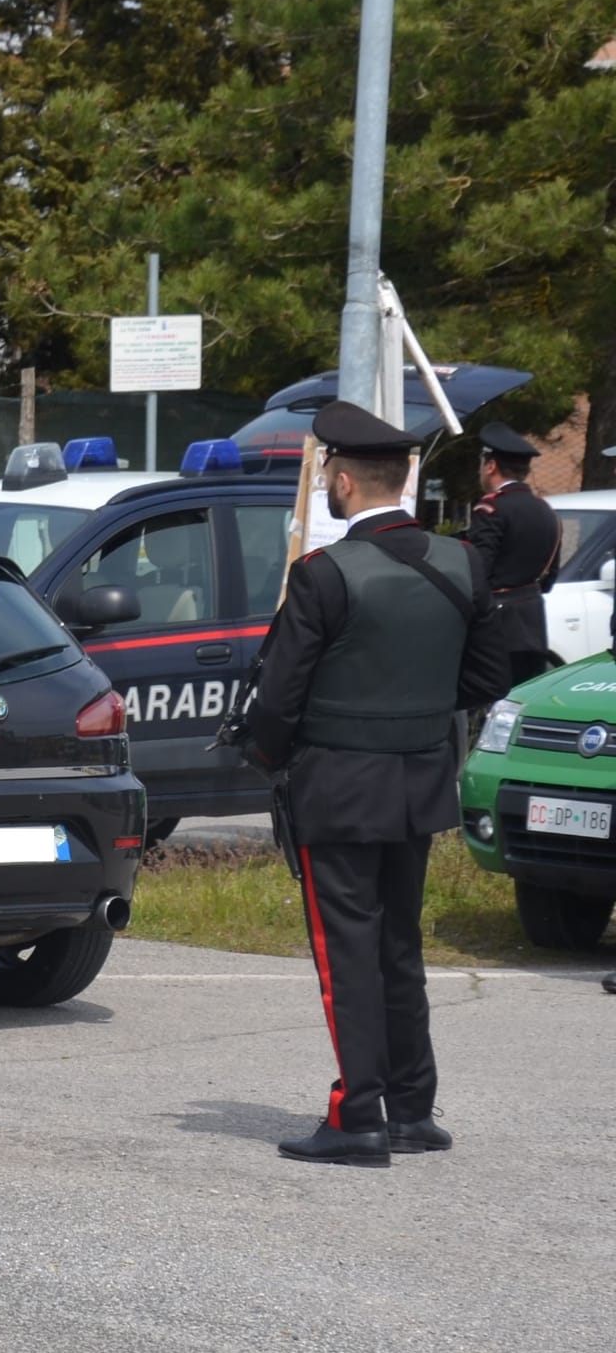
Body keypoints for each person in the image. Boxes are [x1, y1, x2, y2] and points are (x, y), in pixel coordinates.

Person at [241, 400, 509, 1168]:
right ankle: (412, 1109)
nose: (327, 481)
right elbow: (488, 677)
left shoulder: (324, 576)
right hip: (420, 781)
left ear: (347, 480)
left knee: (347, 953)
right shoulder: (463, 563)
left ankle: (357, 1114)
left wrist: (268, 758)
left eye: (329, 471)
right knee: (398, 946)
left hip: (336, 786)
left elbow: (278, 704)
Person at [462, 422, 561, 688]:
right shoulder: (547, 511)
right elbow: (549, 578)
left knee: (485, 710)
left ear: (491, 465)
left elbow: (477, 572)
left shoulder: (491, 509)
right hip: (533, 623)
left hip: (495, 626)